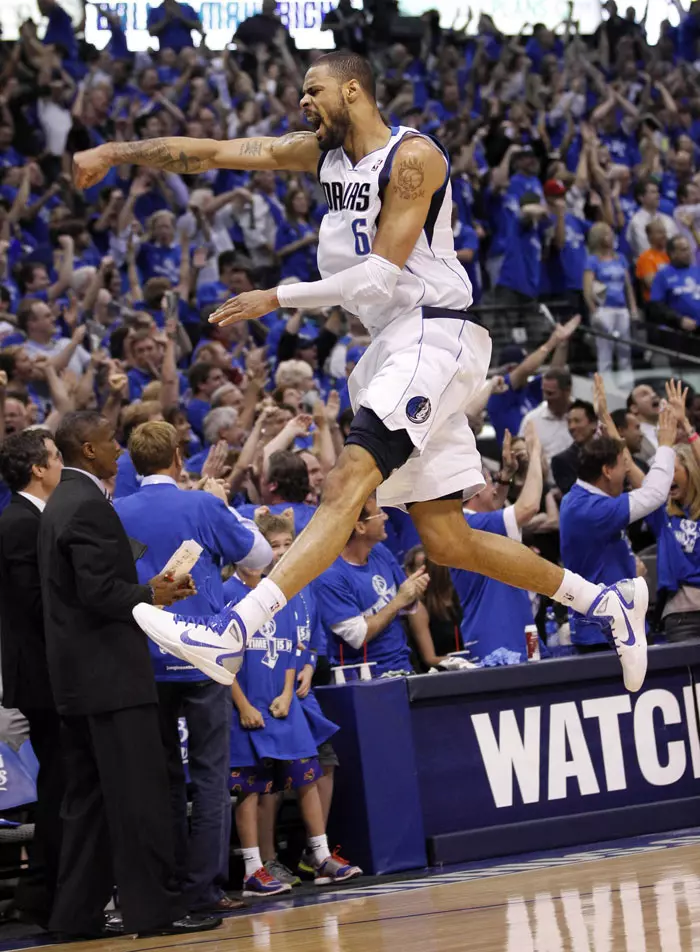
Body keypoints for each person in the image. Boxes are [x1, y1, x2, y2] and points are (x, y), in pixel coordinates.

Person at [75, 50, 652, 696]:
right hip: (390, 345)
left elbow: (380, 271)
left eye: (313, 89)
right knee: (448, 540)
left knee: (347, 478)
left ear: (354, 90)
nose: (302, 101)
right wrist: (117, 153)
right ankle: (606, 604)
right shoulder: (321, 156)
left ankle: (232, 632)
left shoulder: (413, 158)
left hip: (433, 333)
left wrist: (278, 298)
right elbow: (213, 151)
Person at [37, 410, 220, 939]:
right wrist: (152, 594)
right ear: (87, 451)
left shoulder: (61, 503)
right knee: (139, 800)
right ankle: (156, 911)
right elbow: (98, 594)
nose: (118, 448)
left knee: (89, 805)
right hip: (112, 680)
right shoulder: (88, 505)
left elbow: (85, 587)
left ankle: (76, 916)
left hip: (79, 681)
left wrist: (151, 588)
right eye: (109, 441)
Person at [114, 421, 273, 914]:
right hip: (203, 656)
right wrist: (226, 507)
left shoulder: (115, 512)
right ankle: (203, 888)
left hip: (144, 657)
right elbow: (261, 555)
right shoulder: (202, 505)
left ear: (133, 464)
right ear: (178, 458)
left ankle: (166, 884)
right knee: (209, 775)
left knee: (161, 777)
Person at [0, 430, 63, 928]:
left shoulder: (32, 518)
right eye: (57, 457)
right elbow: (35, 605)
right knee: (62, 784)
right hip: (43, 676)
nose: (62, 465)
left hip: (50, 671)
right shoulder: (20, 523)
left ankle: (43, 891)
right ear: (37, 470)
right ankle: (43, 893)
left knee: (63, 784)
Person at [559, 396, 676, 654]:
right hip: (604, 634)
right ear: (607, 471)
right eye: (623, 467)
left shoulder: (582, 499)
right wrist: (665, 446)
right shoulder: (592, 509)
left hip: (616, 625)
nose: (627, 474)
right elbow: (655, 494)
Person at [450, 425, 545, 664]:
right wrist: (535, 454)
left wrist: (506, 475)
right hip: (498, 638)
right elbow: (529, 506)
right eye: (490, 481)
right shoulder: (472, 525)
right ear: (475, 489)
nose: (495, 488)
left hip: (510, 630)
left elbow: (493, 506)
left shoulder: (471, 521)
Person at [314, 494, 431, 676]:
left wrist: (414, 589)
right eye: (380, 513)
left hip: (402, 664)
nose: (386, 516)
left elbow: (407, 604)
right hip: (364, 677)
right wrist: (399, 600)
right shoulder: (329, 575)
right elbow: (357, 635)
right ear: (360, 526)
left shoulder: (379, 551)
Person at [646, 379, 700, 641]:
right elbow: (641, 479)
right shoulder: (662, 515)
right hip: (682, 616)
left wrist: (687, 424)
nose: (667, 481)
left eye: (674, 472)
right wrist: (664, 446)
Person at [486, 316, 580, 446]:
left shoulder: (529, 389)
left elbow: (555, 374)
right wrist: (552, 341)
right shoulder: (499, 393)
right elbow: (525, 369)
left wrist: (562, 344)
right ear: (511, 368)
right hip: (516, 458)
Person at [583, 222, 637, 379]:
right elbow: (587, 289)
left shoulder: (620, 258)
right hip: (604, 309)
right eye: (607, 234)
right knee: (605, 350)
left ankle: (628, 385)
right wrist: (594, 311)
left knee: (624, 350)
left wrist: (632, 308)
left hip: (621, 309)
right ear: (599, 238)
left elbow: (628, 286)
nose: (611, 237)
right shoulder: (593, 261)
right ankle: (604, 386)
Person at [518, 367, 574, 464]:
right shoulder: (531, 420)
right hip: (544, 478)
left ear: (567, 391)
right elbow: (520, 454)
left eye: (550, 393)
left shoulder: (586, 415)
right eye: (544, 392)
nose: (546, 398)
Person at [551, 400, 599, 496]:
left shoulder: (610, 453)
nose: (572, 427)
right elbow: (574, 496)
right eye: (569, 422)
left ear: (594, 424)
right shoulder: (561, 461)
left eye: (577, 421)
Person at [635, 220, 670, 303]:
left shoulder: (671, 255)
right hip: (656, 304)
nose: (664, 235)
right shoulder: (645, 257)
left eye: (664, 232)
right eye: (659, 232)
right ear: (650, 236)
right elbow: (652, 284)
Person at [627, 383, 661, 461]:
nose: (653, 395)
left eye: (653, 392)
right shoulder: (633, 438)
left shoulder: (672, 429)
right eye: (644, 394)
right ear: (634, 408)